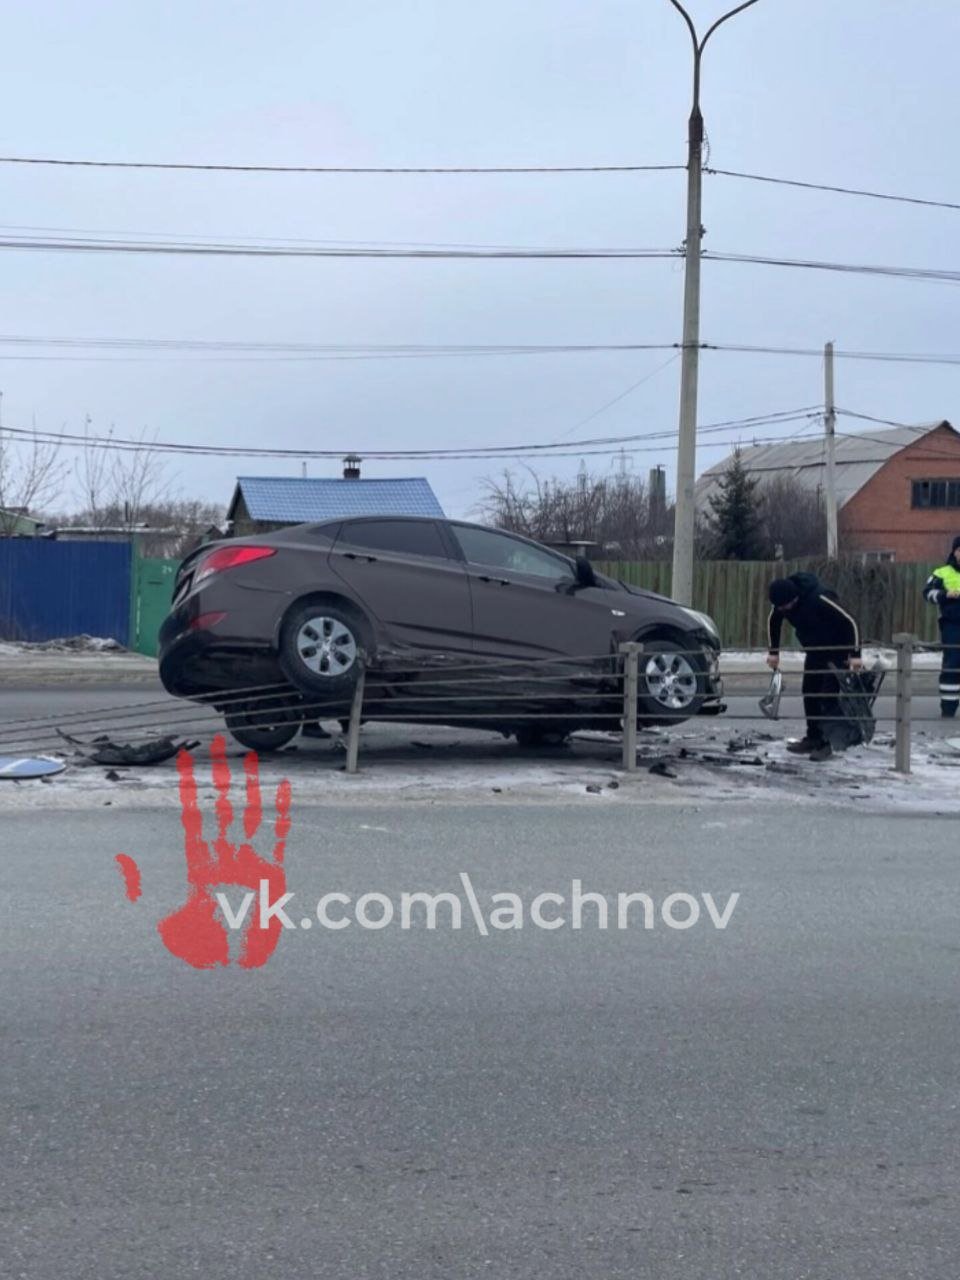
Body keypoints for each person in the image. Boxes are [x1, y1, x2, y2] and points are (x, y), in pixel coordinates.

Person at [765, 571, 863, 762]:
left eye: (786, 606)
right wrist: (774, 652)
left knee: (826, 696)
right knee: (809, 692)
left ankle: (827, 743)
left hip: (838, 651)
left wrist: (856, 655)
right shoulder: (781, 605)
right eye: (780, 607)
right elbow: (773, 622)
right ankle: (813, 737)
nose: (784, 611)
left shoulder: (820, 598)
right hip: (815, 650)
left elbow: (851, 622)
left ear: (794, 599)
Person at [923, 535, 960, 719]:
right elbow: (927, 593)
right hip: (952, 626)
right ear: (955, 552)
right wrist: (945, 595)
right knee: (952, 665)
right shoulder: (942, 572)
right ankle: (948, 707)